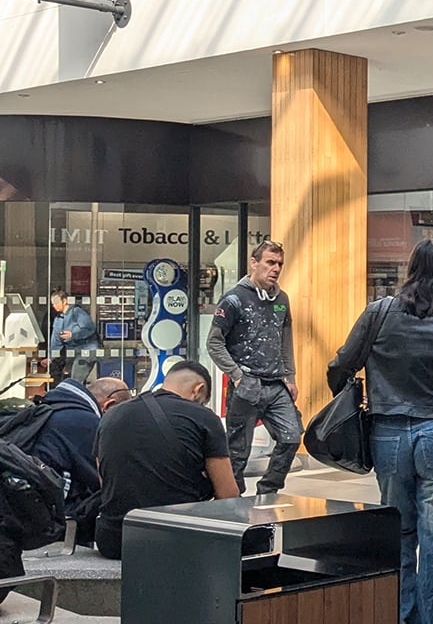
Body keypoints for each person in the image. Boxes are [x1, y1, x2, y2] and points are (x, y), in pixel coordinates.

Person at [327, 237, 433, 624]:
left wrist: (358, 397)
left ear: (410, 270)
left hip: (388, 433)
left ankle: (401, 615)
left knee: (398, 534)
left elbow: (341, 364)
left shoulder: (378, 313)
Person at [94, 361, 238, 560]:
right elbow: (228, 495)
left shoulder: (112, 416)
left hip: (115, 539)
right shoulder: (204, 417)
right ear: (198, 390)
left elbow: (105, 480)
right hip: (179, 539)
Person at [206, 239, 302, 495]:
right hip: (247, 385)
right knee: (237, 452)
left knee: (291, 436)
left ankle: (268, 491)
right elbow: (214, 343)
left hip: (276, 384)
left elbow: (285, 339)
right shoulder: (234, 299)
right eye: (270, 262)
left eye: (280, 263)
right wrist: (237, 376)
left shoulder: (282, 298)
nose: (276, 268)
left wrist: (290, 376)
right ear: (254, 263)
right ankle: (232, 499)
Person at [27, 376, 131, 543]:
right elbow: (102, 479)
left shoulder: (54, 407)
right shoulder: (86, 422)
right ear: (108, 405)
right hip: (56, 515)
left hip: (31, 505)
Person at [45, 289, 100, 384]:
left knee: (76, 380)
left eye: (56, 303)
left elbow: (89, 328)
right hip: (73, 352)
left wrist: (73, 335)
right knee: (72, 379)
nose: (54, 306)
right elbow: (56, 341)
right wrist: (50, 357)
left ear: (64, 301)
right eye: (52, 304)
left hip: (86, 350)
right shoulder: (58, 319)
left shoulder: (77, 312)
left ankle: (77, 396)